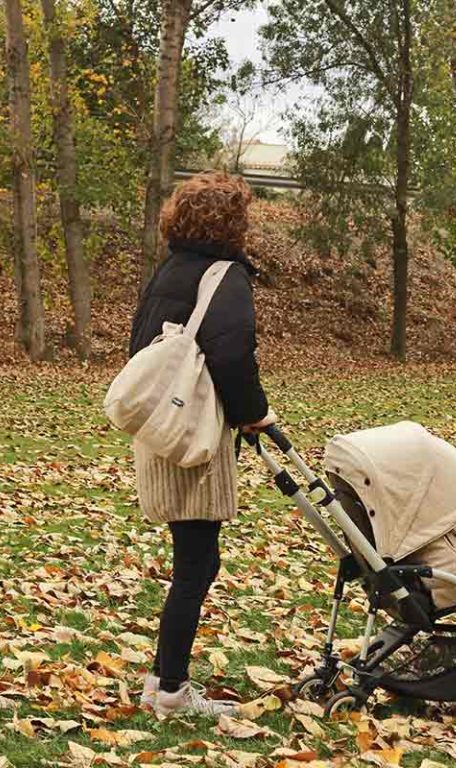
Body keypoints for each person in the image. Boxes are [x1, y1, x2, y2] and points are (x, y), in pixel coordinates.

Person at [129, 172, 276, 717]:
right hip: (195, 435)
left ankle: (158, 680)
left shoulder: (169, 270)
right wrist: (255, 416)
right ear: (231, 222)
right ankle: (172, 691)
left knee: (189, 559)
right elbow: (233, 356)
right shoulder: (225, 277)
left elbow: (141, 346)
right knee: (197, 565)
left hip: (160, 429)